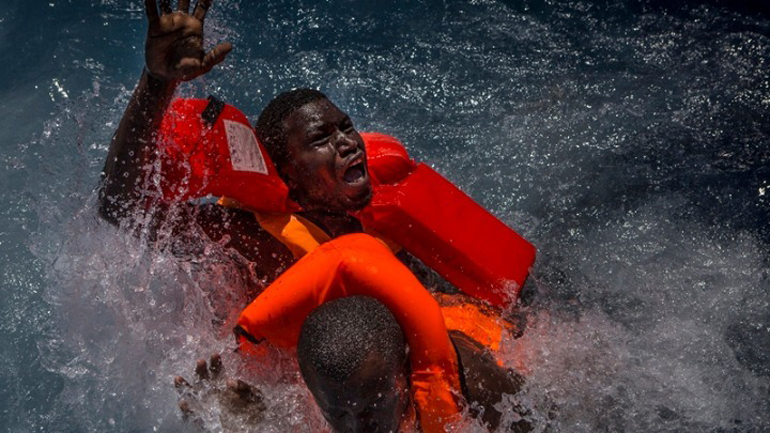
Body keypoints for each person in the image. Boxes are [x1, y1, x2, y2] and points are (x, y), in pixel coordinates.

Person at [298, 296, 530, 432]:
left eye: (374, 407)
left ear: (406, 370)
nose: (358, 428)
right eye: (339, 416)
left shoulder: (476, 384)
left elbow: (546, 419)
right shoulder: (331, 385)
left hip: (494, 323)